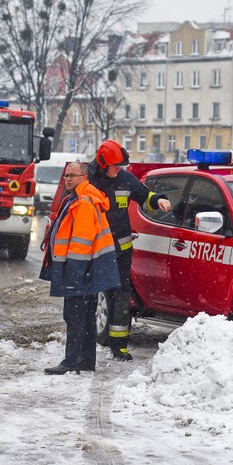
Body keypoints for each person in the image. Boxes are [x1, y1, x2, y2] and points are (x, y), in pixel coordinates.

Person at [87, 140, 171, 361]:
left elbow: (145, 195)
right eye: (116, 166)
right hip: (95, 251)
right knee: (89, 296)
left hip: (121, 251)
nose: (119, 170)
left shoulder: (125, 179)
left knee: (121, 297)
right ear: (103, 164)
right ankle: (86, 343)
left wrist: (160, 200)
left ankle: (119, 346)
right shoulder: (89, 181)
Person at [40, 162, 120, 374]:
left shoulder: (83, 202)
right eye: (66, 175)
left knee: (75, 317)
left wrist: (74, 273)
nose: (68, 179)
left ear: (84, 178)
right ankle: (86, 361)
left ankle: (72, 362)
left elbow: (82, 241)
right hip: (89, 269)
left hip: (81, 268)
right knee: (85, 317)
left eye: (73, 175)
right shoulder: (78, 198)